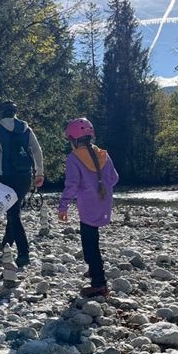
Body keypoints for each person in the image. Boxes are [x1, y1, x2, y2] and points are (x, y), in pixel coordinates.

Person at [58, 118, 119, 297]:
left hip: (88, 205)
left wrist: (63, 206)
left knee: (89, 242)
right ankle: (93, 269)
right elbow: (114, 178)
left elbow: (71, 185)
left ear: (75, 140)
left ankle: (99, 282)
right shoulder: (104, 155)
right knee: (93, 237)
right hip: (104, 201)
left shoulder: (74, 158)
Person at [0, 100, 44, 267]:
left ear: (1, 113)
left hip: (5, 176)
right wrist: (39, 173)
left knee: (13, 214)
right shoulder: (26, 128)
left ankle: (24, 253)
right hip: (24, 177)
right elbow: (37, 150)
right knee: (13, 209)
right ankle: (6, 245)